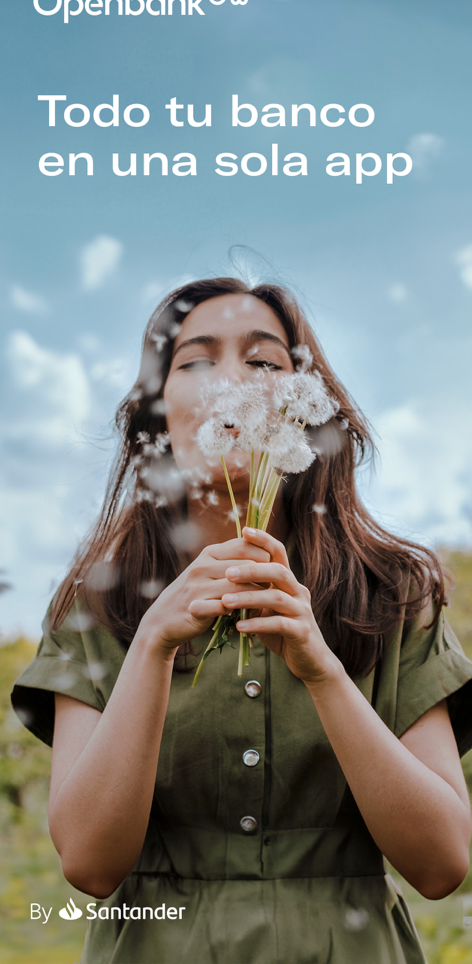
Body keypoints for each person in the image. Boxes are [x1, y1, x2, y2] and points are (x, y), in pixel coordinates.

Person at [11, 276, 472, 964]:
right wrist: (152, 645)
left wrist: (323, 672)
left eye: (262, 361)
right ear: (156, 411)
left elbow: (441, 864)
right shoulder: (99, 603)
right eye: (196, 361)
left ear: (307, 405)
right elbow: (88, 864)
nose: (232, 381)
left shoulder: (392, 593)